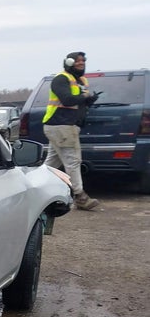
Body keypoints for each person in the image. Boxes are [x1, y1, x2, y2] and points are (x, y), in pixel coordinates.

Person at [42, 51, 100, 210]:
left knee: (51, 163)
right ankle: (80, 196)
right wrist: (84, 98)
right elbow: (67, 99)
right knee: (73, 161)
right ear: (68, 63)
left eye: (83, 62)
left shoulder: (81, 80)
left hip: (67, 126)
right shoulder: (61, 79)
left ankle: (37, 187)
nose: (81, 64)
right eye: (78, 62)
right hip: (61, 125)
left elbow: (79, 102)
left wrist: (89, 101)